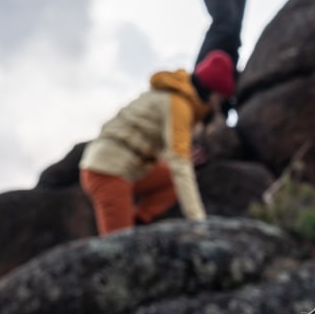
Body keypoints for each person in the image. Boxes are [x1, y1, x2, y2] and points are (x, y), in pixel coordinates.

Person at [79, 50, 235, 235]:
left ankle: (138, 223)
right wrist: (198, 223)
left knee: (169, 177)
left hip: (125, 166)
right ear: (214, 94)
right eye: (220, 100)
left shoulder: (174, 95)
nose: (218, 107)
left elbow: (146, 142)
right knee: (120, 246)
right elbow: (180, 167)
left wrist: (176, 161)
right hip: (107, 171)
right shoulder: (180, 105)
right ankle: (129, 235)